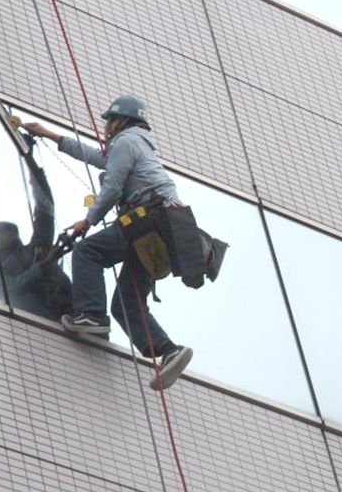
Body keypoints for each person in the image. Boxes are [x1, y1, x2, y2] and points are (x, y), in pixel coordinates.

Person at [23, 95, 225, 390]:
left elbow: (113, 187)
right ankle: (169, 351)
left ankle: (91, 316)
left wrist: (88, 220)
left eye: (109, 122)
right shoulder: (133, 145)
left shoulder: (127, 142)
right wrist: (51, 135)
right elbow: (96, 157)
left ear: (120, 121)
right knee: (125, 303)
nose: (106, 129)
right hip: (162, 227)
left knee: (87, 251)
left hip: (150, 219)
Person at [0, 159, 73, 322]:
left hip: (71, 317)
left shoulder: (35, 249)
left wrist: (33, 168)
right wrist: (41, 267)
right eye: (3, 232)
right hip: (36, 328)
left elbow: (45, 210)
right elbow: (10, 290)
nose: (12, 234)